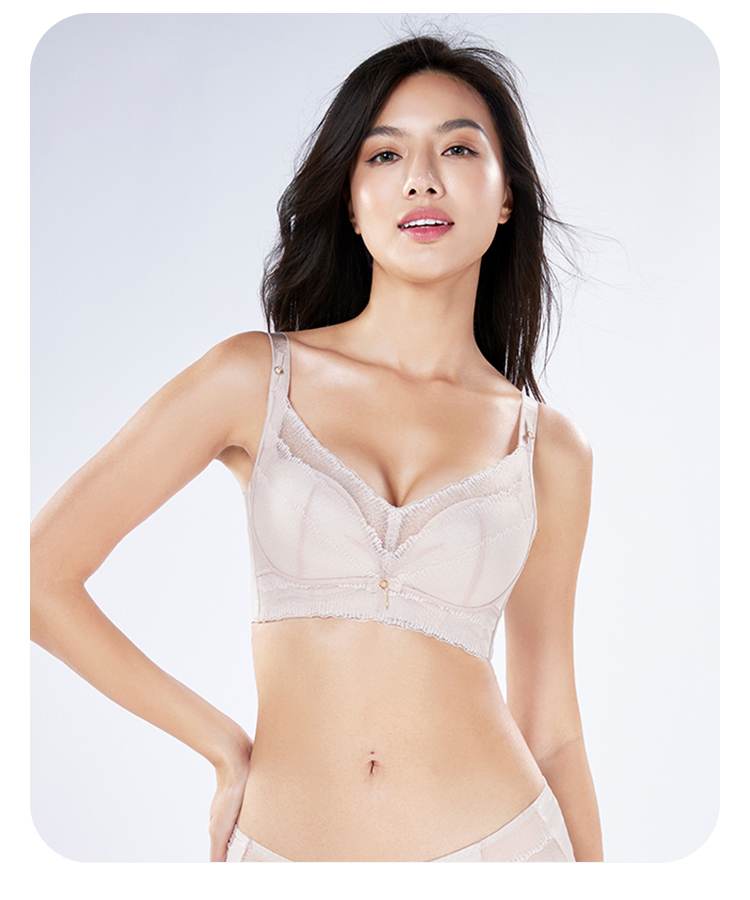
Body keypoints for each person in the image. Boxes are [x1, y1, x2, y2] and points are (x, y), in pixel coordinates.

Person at [30, 33, 603, 862]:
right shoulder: (252, 379)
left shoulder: (548, 448)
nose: (421, 178)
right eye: (384, 154)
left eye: (457, 148)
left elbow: (552, 731)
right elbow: (37, 576)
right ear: (350, 199)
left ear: (506, 194)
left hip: (507, 852)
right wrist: (221, 746)